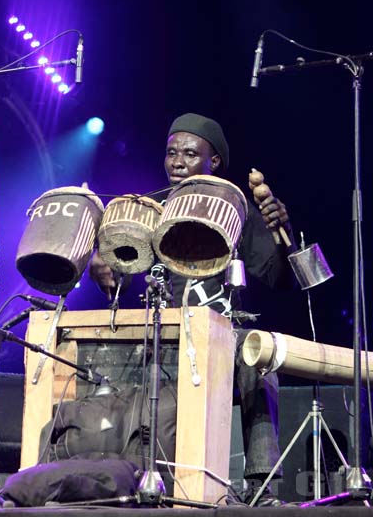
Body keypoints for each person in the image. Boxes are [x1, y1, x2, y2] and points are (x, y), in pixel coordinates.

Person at [90, 113, 297, 506]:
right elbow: (120, 276)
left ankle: (261, 485)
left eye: (189, 153)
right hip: (162, 331)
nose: (177, 161)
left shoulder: (234, 208)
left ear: (213, 161)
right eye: (171, 153)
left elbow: (278, 278)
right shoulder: (151, 208)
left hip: (222, 335)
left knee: (259, 359)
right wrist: (105, 270)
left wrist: (280, 234)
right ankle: (123, 474)